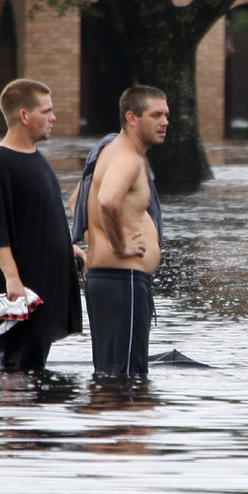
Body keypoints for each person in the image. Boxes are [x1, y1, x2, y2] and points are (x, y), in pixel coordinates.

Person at [0, 78, 85, 370]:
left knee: (36, 368)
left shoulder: (37, 160)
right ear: (25, 116)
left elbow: (40, 218)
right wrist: (13, 280)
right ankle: (13, 416)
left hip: (46, 284)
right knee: (18, 371)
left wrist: (69, 248)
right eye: (46, 111)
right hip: (19, 294)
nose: (53, 118)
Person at [72, 85, 168, 377]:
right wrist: (120, 245)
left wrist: (98, 240)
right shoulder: (127, 158)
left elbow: (77, 199)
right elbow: (107, 201)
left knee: (111, 376)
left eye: (166, 115)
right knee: (126, 382)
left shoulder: (109, 153)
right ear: (132, 118)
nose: (165, 122)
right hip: (123, 281)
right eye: (156, 115)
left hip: (110, 281)